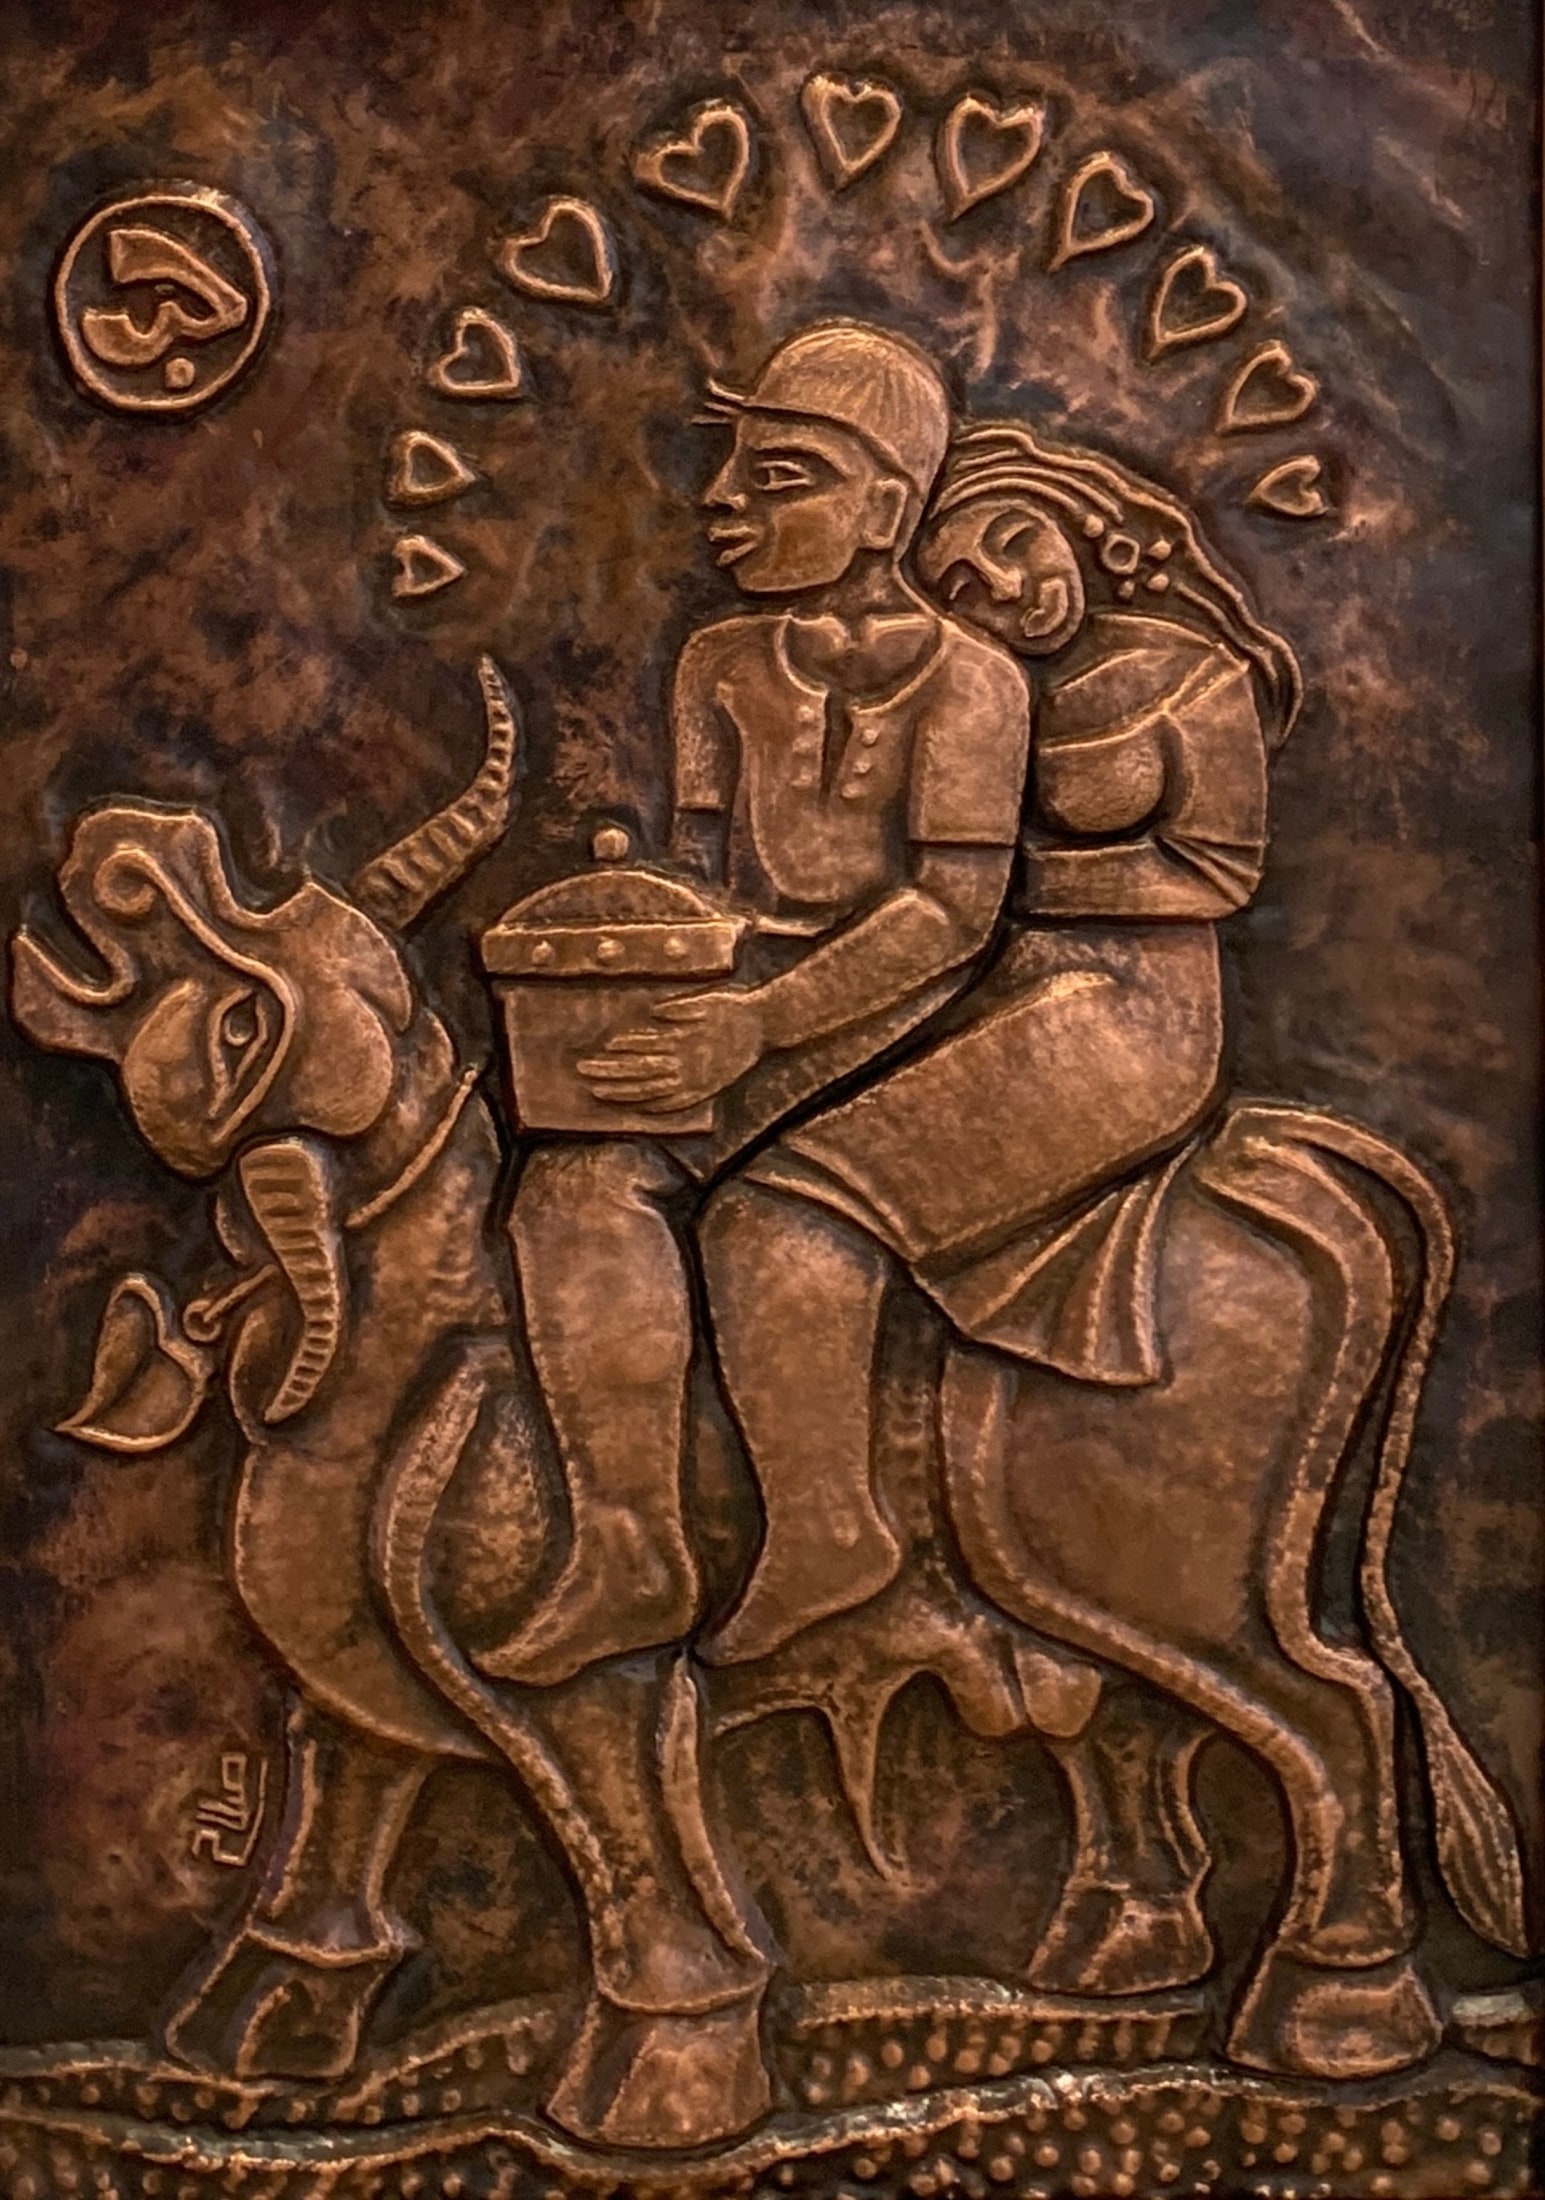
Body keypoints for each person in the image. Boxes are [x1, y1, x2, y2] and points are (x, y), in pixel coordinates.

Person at [696, 420, 1301, 1665]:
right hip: (989, 986)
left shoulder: (1192, 678)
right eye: (961, 583)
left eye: (1015, 543)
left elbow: (1216, 873)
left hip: (1129, 1010)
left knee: (777, 1214)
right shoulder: (980, 686)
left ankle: (827, 1536)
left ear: (1085, 523)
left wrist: (1011, 888)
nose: (1002, 589)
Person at [493, 323, 1032, 1687]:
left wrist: (765, 1021)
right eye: (730, 468)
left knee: (769, 1226)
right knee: (571, 1192)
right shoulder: (720, 665)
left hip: (910, 1019)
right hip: (745, 997)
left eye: (780, 475)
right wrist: (647, 946)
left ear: (888, 510)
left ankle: (828, 1534)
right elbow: (703, 875)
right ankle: (629, 1551)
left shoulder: (975, 682)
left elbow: (952, 916)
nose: (724, 500)